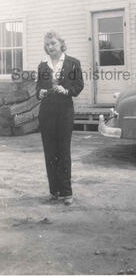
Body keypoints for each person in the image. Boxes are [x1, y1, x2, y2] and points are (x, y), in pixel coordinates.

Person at [36, 31, 84, 205]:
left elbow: (79, 85)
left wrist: (67, 91)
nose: (50, 47)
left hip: (64, 112)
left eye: (53, 44)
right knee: (50, 152)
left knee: (63, 151)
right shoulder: (42, 66)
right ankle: (54, 191)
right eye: (48, 45)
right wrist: (39, 93)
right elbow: (38, 88)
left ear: (61, 44)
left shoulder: (73, 63)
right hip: (46, 113)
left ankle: (66, 192)